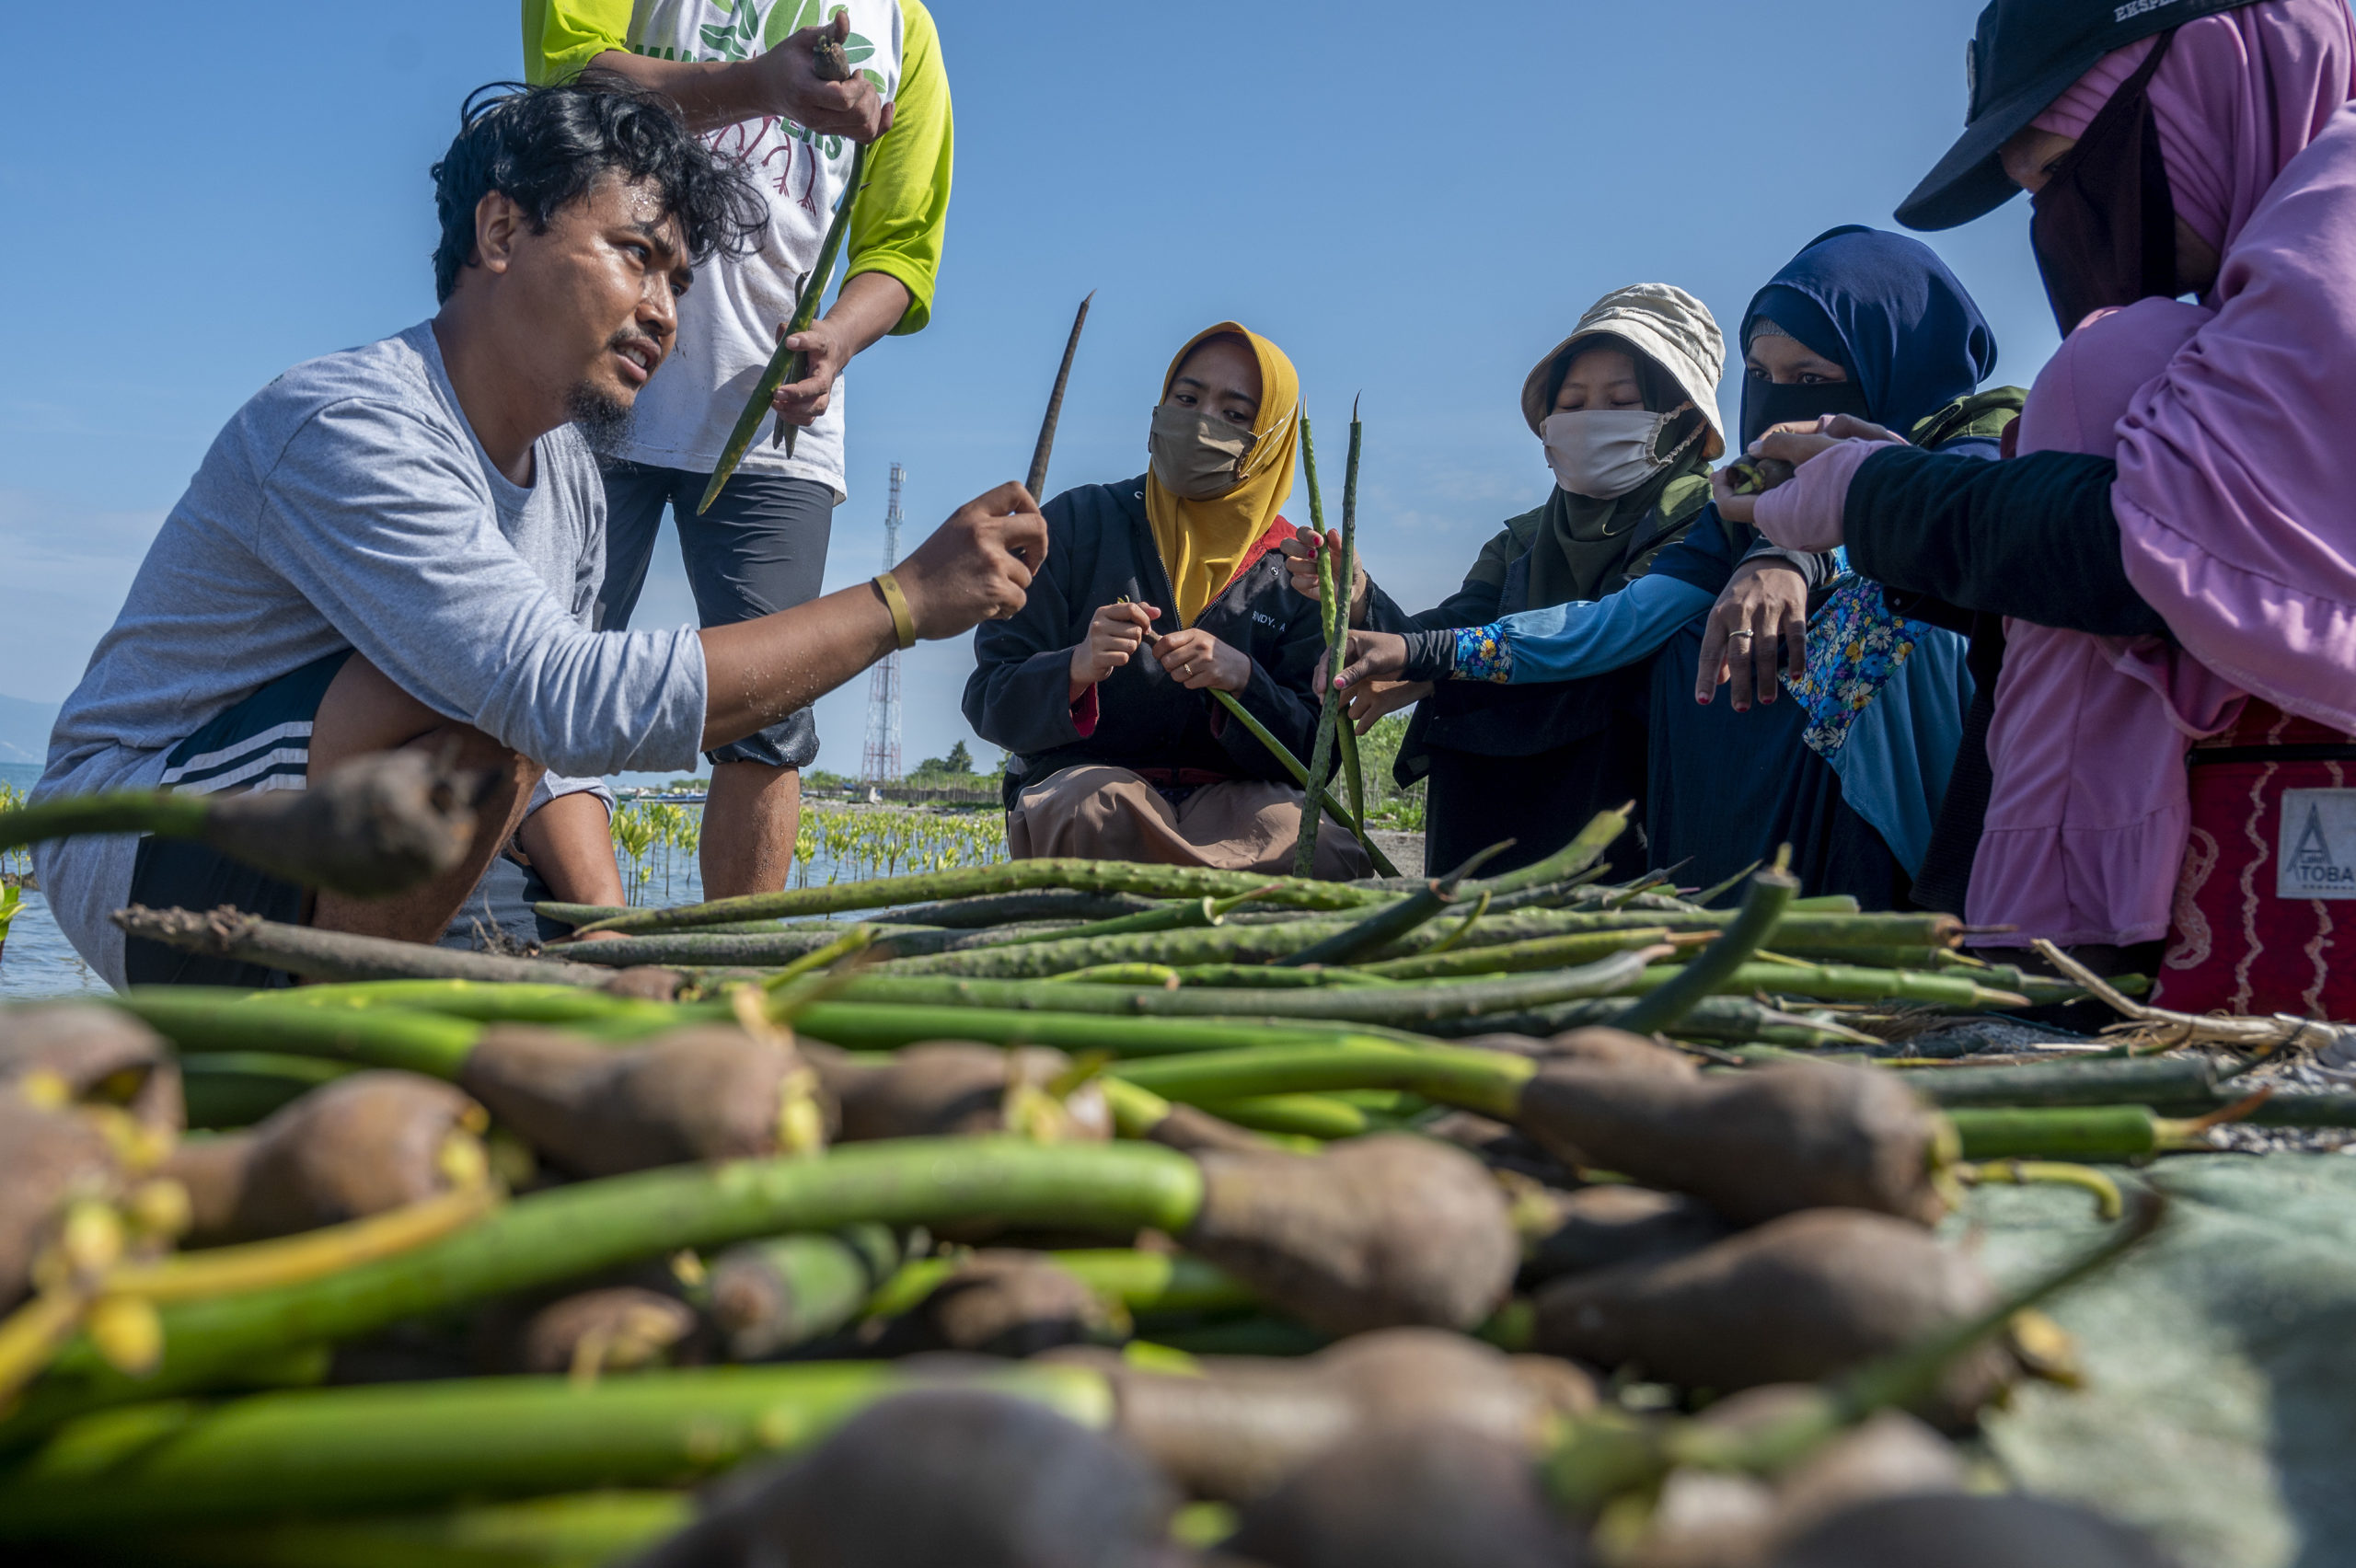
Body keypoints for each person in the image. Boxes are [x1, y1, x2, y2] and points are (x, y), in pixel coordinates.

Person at [32, 78, 1039, 990]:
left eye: (678, 285)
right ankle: (337, 1030)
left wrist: (610, 940)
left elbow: (558, 754)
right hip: (142, 843)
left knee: (592, 982)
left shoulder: (567, 472)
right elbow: (552, 700)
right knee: (485, 708)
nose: (663, 316)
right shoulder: (350, 423)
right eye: (638, 257)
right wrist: (898, 603)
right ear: (503, 231)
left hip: (366, 818)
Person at [1739, 0, 2356, 1007]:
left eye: (2064, 174)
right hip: (2243, 908)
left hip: (2275, 901)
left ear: (2200, 74)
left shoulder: (2337, 215)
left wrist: (1878, 497)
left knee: (2111, 361)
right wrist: (1907, 493)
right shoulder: (2254, 298)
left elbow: (2147, 555)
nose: (2059, 229)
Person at [1322, 236, 2012, 906]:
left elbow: (1944, 512)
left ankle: (1949, 902)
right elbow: (1617, 621)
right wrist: (1422, 648)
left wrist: (1789, 550)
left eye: (1809, 379)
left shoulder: (1995, 430)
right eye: (1763, 378)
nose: (1782, 402)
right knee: (1690, 638)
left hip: (1984, 755)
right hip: (1739, 803)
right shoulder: (1745, 486)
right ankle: (1733, 912)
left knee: (1878, 619)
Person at [525, 1, 954, 900]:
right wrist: (760, 86)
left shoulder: (903, 25)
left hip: (774, 416)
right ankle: (554, 939)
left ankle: (734, 977)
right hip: (590, 376)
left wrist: (836, 336)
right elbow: (566, 84)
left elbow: (901, 252)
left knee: (770, 714)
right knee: (536, 676)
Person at [1293, 285, 1726, 879]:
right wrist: (1363, 599)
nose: (1589, 421)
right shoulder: (1522, 538)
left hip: (1626, 798)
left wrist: (1424, 660)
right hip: (1494, 793)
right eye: (1571, 404)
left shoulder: (1711, 527)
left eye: (1622, 403)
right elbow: (1456, 625)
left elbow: (1606, 631)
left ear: (1687, 423)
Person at [963, 324, 1371, 879]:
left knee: (1317, 846)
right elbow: (991, 694)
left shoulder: (1299, 567)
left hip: (1239, 802)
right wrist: (1075, 669)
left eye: (1234, 414)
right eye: (1187, 398)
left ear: (1272, 441)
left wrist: (1245, 680)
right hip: (1097, 789)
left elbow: (1318, 751)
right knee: (1093, 811)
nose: (1201, 421)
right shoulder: (1076, 523)